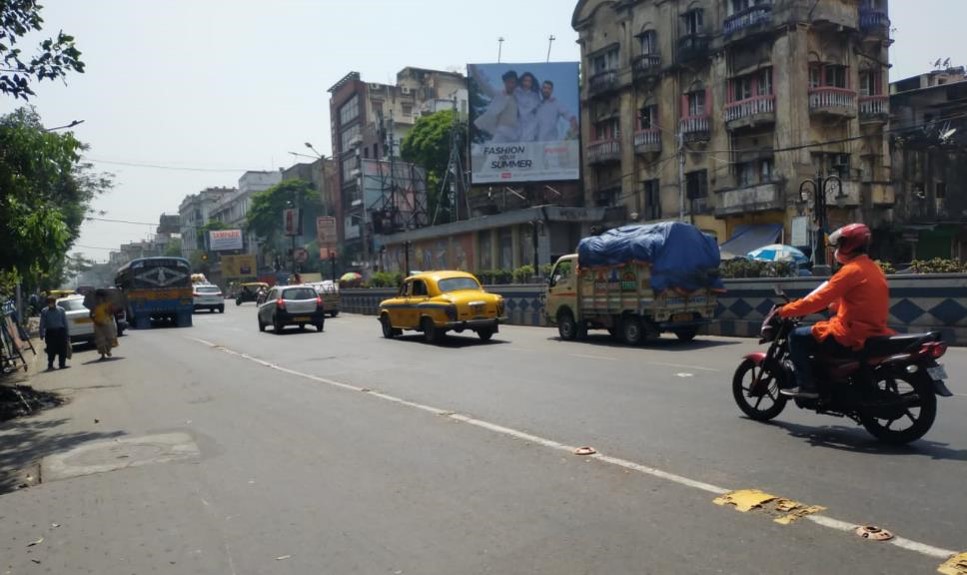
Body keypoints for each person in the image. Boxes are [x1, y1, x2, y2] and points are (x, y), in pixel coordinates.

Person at [778, 224, 893, 398]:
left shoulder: (850, 271)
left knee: (796, 336)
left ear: (849, 245)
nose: (837, 249)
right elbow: (856, 299)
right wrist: (832, 306)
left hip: (852, 333)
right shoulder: (873, 268)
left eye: (840, 244)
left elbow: (817, 299)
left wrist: (785, 311)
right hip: (873, 330)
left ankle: (807, 386)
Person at [472, 68, 520, 143]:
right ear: (505, 82)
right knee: (493, 153)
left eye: (513, 82)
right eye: (509, 82)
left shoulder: (519, 98)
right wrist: (472, 66)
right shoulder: (499, 94)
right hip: (502, 132)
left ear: (516, 84)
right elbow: (483, 83)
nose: (511, 85)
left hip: (516, 135)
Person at [39, 296, 70, 370]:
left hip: (61, 331)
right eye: (49, 302)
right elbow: (42, 323)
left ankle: (62, 364)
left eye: (52, 302)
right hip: (50, 332)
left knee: (62, 349)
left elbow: (65, 322)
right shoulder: (44, 311)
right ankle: (50, 365)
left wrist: (67, 333)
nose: (50, 304)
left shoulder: (61, 310)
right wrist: (41, 333)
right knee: (50, 349)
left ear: (54, 302)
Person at [515, 72, 542, 142]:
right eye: (525, 80)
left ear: (532, 83)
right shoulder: (515, 92)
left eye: (529, 81)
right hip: (516, 126)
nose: (527, 83)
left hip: (530, 128)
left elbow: (538, 112)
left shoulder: (535, 96)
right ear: (522, 81)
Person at [91, 290, 117, 360]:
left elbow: (112, 313)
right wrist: (96, 322)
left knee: (110, 338)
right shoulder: (94, 306)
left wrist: (108, 311)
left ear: (103, 298)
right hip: (97, 324)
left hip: (107, 323)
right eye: (97, 298)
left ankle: (108, 350)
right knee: (100, 340)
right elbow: (91, 316)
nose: (99, 299)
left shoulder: (108, 305)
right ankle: (103, 355)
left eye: (100, 298)